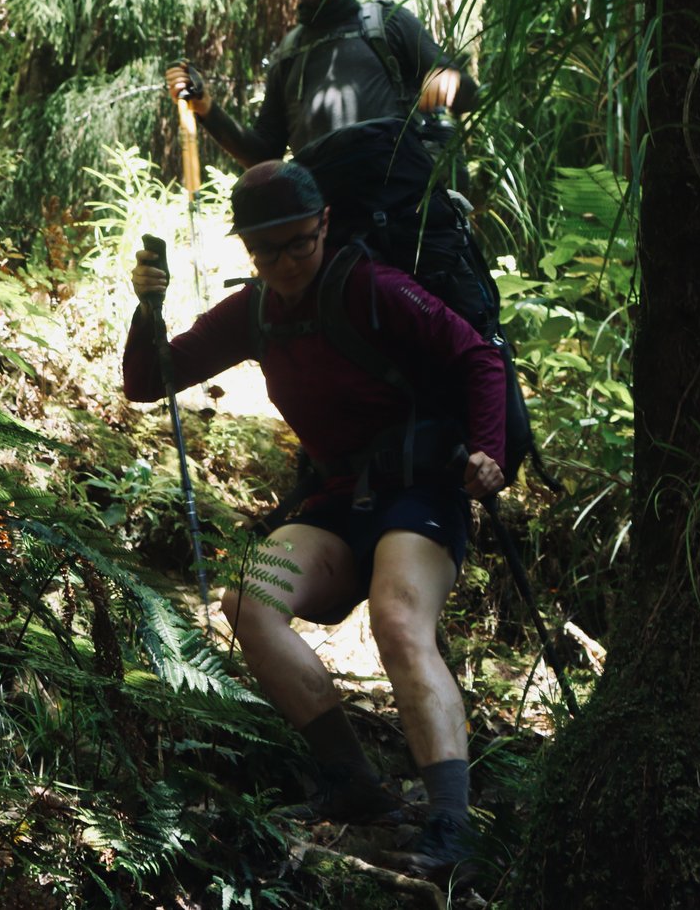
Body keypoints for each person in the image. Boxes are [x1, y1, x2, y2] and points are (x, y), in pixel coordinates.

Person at [123, 159, 504, 880]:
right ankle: (355, 784)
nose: (286, 264)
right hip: (337, 500)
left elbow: (478, 360)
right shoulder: (256, 311)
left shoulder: (375, 289)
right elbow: (150, 383)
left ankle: (451, 826)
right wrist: (147, 309)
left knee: (397, 619)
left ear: (325, 222)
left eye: (299, 243)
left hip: (422, 491)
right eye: (266, 252)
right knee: (248, 599)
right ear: (247, 248)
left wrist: (488, 450)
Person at [164, 0, 478, 167]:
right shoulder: (288, 56)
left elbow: (469, 95)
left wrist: (448, 81)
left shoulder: (388, 23)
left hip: (403, 217)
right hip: (328, 231)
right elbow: (263, 154)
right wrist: (207, 109)